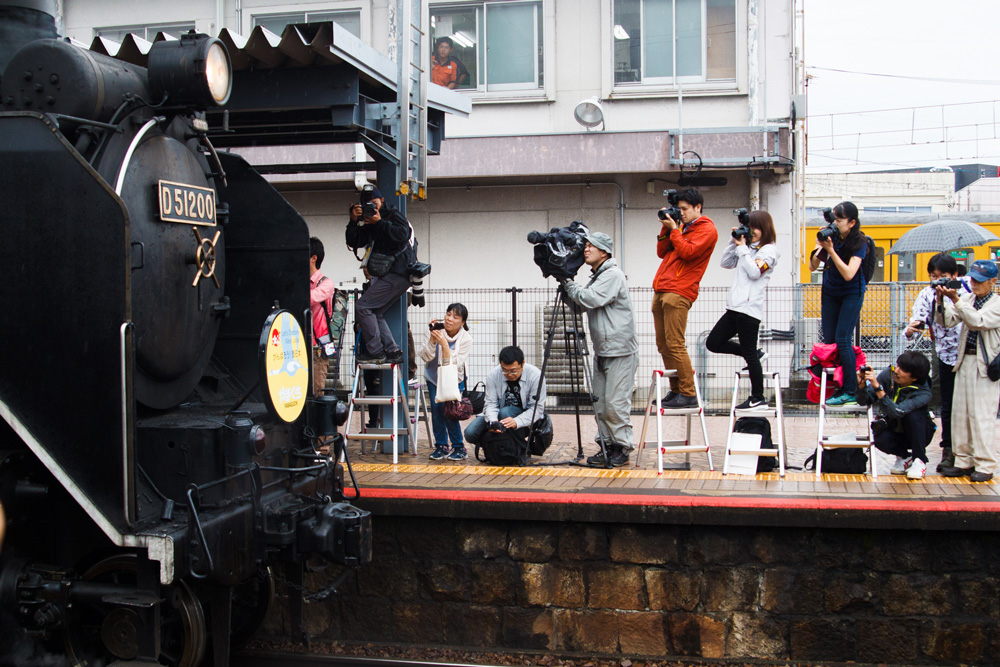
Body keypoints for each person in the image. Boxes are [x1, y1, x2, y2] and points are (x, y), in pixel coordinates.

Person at [561, 232, 639, 467]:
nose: (585, 249)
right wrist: (568, 290)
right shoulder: (598, 276)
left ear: (604, 251)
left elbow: (590, 299)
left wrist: (568, 282)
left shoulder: (612, 275)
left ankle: (621, 447)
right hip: (604, 349)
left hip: (620, 350)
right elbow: (581, 305)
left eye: (591, 246)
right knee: (602, 403)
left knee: (616, 403)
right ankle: (607, 445)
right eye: (585, 245)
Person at [651, 188, 719, 409]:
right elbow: (662, 252)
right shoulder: (680, 227)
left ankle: (688, 393)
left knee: (675, 343)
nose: (681, 213)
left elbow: (689, 252)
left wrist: (675, 231)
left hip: (679, 290)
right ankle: (676, 390)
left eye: (684, 209)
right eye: (678, 209)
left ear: (698, 207)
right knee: (663, 344)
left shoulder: (707, 229)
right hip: (663, 287)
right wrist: (666, 225)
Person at [705, 210, 779, 410]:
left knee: (749, 354)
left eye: (755, 227)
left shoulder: (769, 251)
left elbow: (755, 272)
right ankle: (755, 353)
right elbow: (725, 263)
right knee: (713, 342)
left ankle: (758, 397)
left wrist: (744, 249)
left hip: (749, 310)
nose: (752, 232)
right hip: (734, 308)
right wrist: (734, 242)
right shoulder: (748, 248)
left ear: (764, 228)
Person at [903, 252, 969, 471]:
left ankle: (969, 452)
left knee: (968, 405)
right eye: (933, 276)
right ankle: (948, 451)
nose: (938, 281)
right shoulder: (926, 295)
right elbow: (917, 321)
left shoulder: (967, 288)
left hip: (969, 354)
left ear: (955, 274)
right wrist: (911, 329)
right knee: (947, 404)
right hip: (943, 356)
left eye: (944, 276)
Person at [936, 259, 1000, 483]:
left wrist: (957, 301)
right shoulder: (968, 298)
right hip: (965, 360)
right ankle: (963, 461)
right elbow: (948, 321)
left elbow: (977, 321)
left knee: (981, 416)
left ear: (993, 281)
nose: (974, 284)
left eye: (980, 281)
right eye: (973, 279)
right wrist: (941, 299)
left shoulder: (997, 304)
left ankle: (985, 464)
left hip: (986, 366)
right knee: (960, 414)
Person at [346, 186, 418, 365]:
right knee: (375, 312)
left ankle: (376, 351)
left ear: (382, 201)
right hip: (393, 275)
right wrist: (353, 221)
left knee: (362, 307)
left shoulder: (393, 215)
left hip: (399, 272)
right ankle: (392, 350)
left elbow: (403, 235)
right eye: (367, 204)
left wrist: (380, 222)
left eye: (374, 202)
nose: (372, 207)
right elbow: (354, 241)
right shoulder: (367, 221)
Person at [809, 201, 867, 407]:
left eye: (840, 220)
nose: (836, 223)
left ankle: (850, 390)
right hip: (830, 292)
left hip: (851, 292)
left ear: (851, 222)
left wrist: (831, 251)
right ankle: (837, 386)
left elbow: (850, 274)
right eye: (834, 219)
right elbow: (812, 266)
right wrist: (819, 246)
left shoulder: (860, 243)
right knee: (831, 342)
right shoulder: (831, 238)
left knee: (843, 339)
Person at [856, 351, 935, 480]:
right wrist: (861, 385)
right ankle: (905, 457)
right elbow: (864, 400)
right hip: (895, 429)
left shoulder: (924, 393)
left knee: (913, 415)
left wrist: (878, 388)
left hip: (920, 434)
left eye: (903, 369)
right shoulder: (889, 375)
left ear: (914, 378)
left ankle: (919, 460)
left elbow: (897, 411)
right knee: (879, 437)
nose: (897, 371)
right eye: (897, 366)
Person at [464, 346, 548, 450]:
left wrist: (517, 421)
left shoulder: (536, 376)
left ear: (523, 363)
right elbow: (490, 404)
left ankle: (519, 448)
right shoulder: (493, 375)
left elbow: (537, 408)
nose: (509, 375)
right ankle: (496, 446)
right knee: (470, 433)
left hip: (524, 416)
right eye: (505, 370)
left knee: (505, 412)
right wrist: (493, 422)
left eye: (513, 371)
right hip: (498, 414)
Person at [420, 303, 474, 462]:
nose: (449, 319)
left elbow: (455, 363)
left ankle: (459, 447)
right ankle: (441, 446)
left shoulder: (466, 339)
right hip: (433, 378)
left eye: (455, 317)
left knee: (451, 412)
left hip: (454, 379)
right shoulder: (435, 329)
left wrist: (443, 344)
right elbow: (425, 356)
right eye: (448, 314)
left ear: (463, 322)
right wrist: (431, 338)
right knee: (437, 412)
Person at [309, 237, 336, 395]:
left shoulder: (326, 283)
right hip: (301, 343)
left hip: (319, 344)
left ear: (314, 258)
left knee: (317, 388)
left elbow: (310, 298)